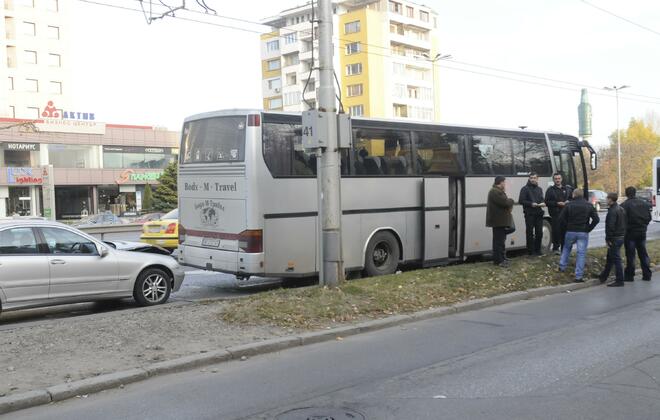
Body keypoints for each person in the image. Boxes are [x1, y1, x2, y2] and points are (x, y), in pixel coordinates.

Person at [558, 188, 600, 282]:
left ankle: (562, 267)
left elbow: (561, 218)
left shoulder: (569, 205)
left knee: (566, 248)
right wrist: (588, 229)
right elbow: (596, 219)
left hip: (570, 231)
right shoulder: (589, 205)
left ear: (574, 195)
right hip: (583, 232)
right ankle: (578, 276)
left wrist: (567, 226)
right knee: (581, 254)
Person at [621, 186, 653, 282]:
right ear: (635, 193)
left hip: (630, 233)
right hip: (642, 231)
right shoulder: (644, 204)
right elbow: (649, 217)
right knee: (643, 253)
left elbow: (622, 221)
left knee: (630, 255)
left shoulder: (624, 205)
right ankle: (647, 274)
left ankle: (630, 276)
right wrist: (643, 225)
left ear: (626, 194)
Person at [599, 193, 627, 287]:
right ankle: (603, 276)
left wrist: (608, 239)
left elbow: (610, 226)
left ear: (610, 199)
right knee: (610, 258)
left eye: (607, 198)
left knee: (616, 259)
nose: (606, 200)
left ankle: (620, 280)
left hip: (614, 238)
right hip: (621, 236)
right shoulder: (621, 209)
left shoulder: (612, 211)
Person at [486, 176, 515, 267]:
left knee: (501, 241)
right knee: (498, 242)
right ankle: (499, 261)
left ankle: (502, 258)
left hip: (500, 221)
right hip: (498, 221)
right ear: (501, 182)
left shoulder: (498, 191)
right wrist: (511, 200)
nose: (505, 184)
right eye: (504, 182)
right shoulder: (494, 191)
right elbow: (505, 203)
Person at [518, 172, 546, 256]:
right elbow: (521, 201)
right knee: (530, 233)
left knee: (539, 232)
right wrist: (531, 204)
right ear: (529, 179)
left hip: (538, 213)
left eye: (534, 178)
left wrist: (543, 203)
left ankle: (538, 250)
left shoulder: (539, 189)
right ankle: (530, 251)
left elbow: (541, 199)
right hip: (529, 213)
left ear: (537, 179)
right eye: (531, 178)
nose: (533, 179)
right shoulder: (524, 189)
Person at [545, 172, 572, 254]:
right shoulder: (550, 190)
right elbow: (547, 202)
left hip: (566, 214)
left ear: (561, 179)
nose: (557, 180)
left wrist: (569, 202)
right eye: (556, 179)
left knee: (565, 232)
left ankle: (564, 249)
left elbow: (572, 199)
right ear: (553, 180)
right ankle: (555, 248)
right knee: (556, 231)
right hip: (555, 214)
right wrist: (557, 203)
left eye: (559, 178)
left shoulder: (567, 189)